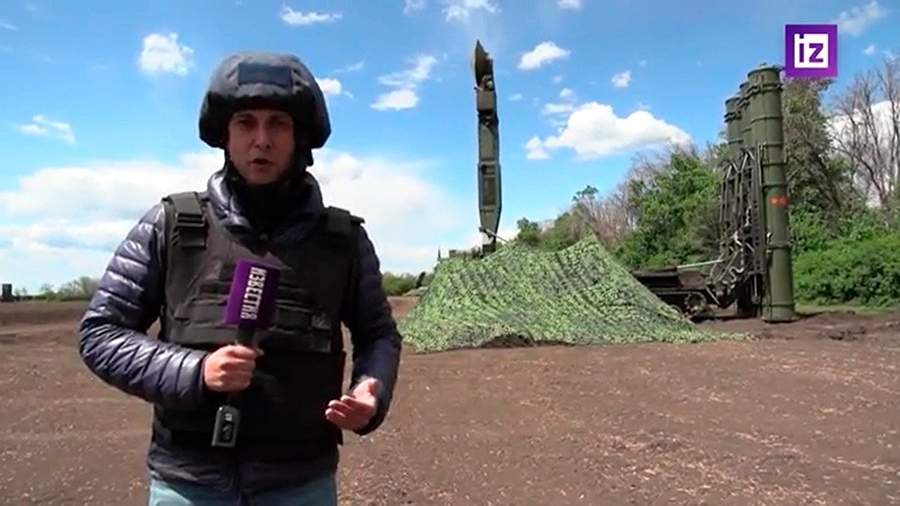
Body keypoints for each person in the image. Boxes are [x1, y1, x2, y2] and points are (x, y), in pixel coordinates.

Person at [78, 51, 403, 505]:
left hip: (300, 483)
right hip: (187, 484)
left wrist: (371, 390)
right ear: (225, 136)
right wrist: (196, 371)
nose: (261, 140)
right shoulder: (172, 225)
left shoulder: (342, 240)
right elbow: (100, 333)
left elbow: (378, 334)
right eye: (246, 123)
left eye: (279, 124)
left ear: (300, 138)